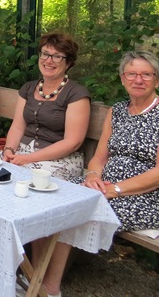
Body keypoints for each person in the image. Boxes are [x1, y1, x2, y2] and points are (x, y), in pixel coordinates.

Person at [41, 50, 159, 297]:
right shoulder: (117, 111)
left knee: (77, 211)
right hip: (104, 185)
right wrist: (93, 176)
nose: (139, 80)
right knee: (51, 197)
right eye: (132, 74)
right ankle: (34, 273)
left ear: (156, 80)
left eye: (146, 74)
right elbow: (100, 157)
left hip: (145, 196)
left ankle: (49, 287)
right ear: (122, 78)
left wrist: (115, 189)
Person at [2, 32, 90, 181]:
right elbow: (17, 127)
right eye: (45, 54)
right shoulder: (29, 88)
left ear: (68, 63)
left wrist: (28, 159)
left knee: (23, 179)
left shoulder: (76, 94)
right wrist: (8, 150)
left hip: (60, 159)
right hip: (23, 152)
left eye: (57, 56)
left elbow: (73, 142)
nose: (49, 61)